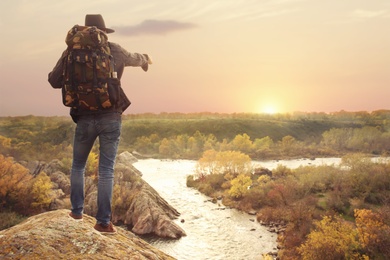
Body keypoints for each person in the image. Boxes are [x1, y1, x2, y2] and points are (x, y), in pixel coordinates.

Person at [48, 14, 152, 233]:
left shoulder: (70, 52)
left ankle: (76, 211)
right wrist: (146, 59)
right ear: (104, 32)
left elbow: (54, 80)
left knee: (78, 165)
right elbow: (136, 58)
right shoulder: (115, 50)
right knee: (105, 170)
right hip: (110, 116)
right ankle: (103, 222)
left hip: (84, 117)